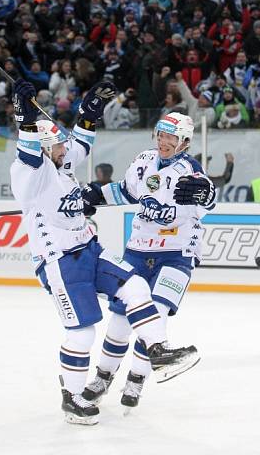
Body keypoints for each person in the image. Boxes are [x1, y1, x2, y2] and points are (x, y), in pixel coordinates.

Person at [10, 81, 195, 426]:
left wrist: (89, 113)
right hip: (59, 262)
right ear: (45, 148)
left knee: (136, 285)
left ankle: (157, 350)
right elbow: (28, 149)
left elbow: (80, 144)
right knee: (83, 333)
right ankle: (72, 398)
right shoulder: (28, 172)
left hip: (89, 250)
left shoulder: (61, 162)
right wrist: (25, 117)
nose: (68, 151)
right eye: (59, 147)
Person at [82, 112, 216, 409]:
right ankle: (103, 377)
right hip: (138, 250)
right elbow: (126, 192)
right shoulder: (143, 160)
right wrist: (95, 195)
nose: (163, 142)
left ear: (184, 141)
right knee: (119, 322)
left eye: (171, 137)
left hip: (178, 253)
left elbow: (208, 198)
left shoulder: (191, 171)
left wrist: (205, 194)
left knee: (154, 316)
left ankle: (136, 380)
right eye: (161, 135)